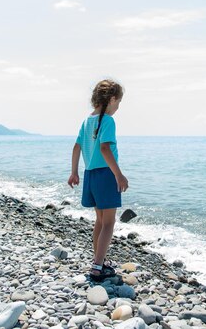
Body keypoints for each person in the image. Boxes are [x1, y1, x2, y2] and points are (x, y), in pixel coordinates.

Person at [68, 79, 129, 281]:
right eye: (118, 103)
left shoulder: (87, 121)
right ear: (112, 99)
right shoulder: (108, 121)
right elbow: (105, 148)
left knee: (100, 221)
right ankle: (97, 266)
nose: (118, 108)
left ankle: (98, 260)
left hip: (90, 175)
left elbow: (76, 147)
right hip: (105, 174)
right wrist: (118, 174)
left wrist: (74, 172)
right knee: (109, 223)